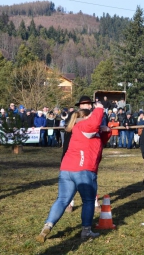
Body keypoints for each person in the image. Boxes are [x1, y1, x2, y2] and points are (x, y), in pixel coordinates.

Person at [36, 102, 111, 242]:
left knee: (62, 200)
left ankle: (48, 226)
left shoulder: (79, 129)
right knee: (88, 201)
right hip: (84, 170)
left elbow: (100, 141)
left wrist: (106, 130)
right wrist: (100, 108)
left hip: (67, 169)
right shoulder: (84, 126)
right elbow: (94, 123)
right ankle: (86, 231)